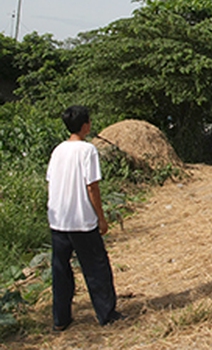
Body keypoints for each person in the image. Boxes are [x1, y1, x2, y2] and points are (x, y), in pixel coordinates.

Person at [47, 105, 122, 331]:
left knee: (61, 271)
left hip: (59, 220)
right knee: (96, 268)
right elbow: (92, 187)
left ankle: (61, 318)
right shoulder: (87, 150)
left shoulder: (58, 150)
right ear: (85, 125)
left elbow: (51, 181)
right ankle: (106, 313)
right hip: (81, 220)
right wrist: (101, 217)